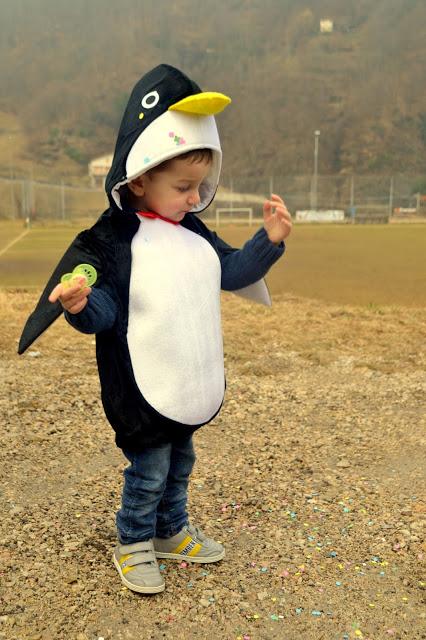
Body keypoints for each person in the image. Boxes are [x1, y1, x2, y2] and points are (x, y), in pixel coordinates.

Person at [18, 64, 292, 594]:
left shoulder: (192, 233)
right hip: (141, 392)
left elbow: (231, 271)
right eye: (184, 187)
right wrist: (80, 303)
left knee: (181, 462)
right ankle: (134, 540)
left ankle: (171, 530)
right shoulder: (115, 240)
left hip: (185, 383)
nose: (195, 198)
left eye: (201, 186)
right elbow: (104, 317)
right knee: (149, 471)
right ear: (140, 176)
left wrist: (269, 240)